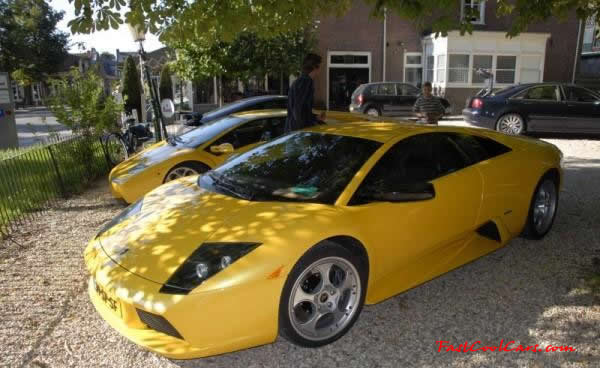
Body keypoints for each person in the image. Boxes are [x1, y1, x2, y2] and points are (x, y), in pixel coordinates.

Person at [285, 53, 326, 133]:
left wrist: (315, 117)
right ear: (315, 67)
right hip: (297, 133)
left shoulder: (300, 81)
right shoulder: (305, 82)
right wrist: (304, 132)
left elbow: (302, 110)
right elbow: (298, 110)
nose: (320, 70)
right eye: (320, 66)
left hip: (293, 130)